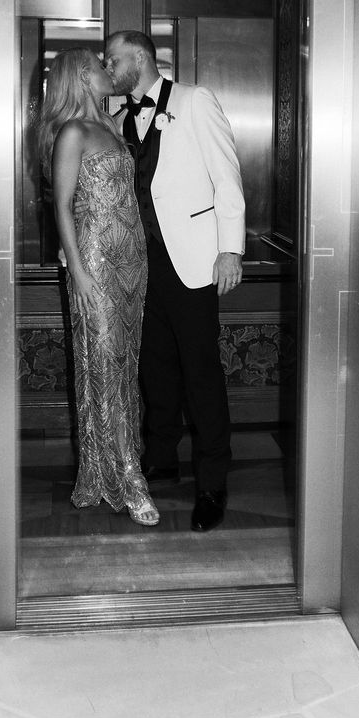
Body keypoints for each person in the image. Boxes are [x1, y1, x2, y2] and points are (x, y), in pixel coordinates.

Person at [104, 30, 245, 533]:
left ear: (139, 58)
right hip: (140, 267)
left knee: (201, 373)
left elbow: (227, 177)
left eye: (113, 58)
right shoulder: (118, 118)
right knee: (155, 369)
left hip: (193, 261)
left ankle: (212, 481)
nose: (108, 66)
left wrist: (230, 248)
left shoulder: (194, 100)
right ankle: (162, 457)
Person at [38, 48, 159, 527]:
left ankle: (95, 473)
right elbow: (62, 206)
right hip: (97, 263)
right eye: (101, 66)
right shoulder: (72, 133)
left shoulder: (109, 127)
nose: (110, 73)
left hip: (133, 261)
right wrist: (78, 271)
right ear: (83, 78)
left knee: (124, 367)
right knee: (104, 365)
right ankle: (130, 480)